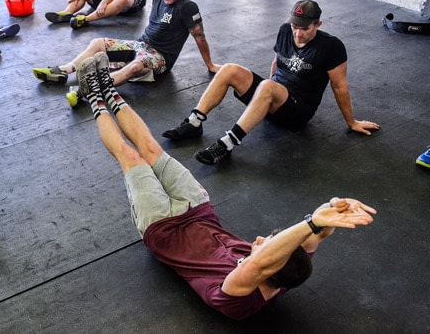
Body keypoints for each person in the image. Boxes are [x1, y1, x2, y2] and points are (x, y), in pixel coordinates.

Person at [76, 50, 376, 320]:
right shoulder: (289, 270)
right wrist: (333, 208)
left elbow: (258, 264)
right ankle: (108, 90)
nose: (258, 239)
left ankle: (95, 98)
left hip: (163, 228)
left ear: (269, 267)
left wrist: (311, 222)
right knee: (152, 149)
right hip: (198, 210)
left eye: (265, 245)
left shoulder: (236, 297)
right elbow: (315, 238)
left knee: (130, 157)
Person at [162, 0, 380, 165]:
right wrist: (263, 98)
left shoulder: (332, 47)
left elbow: (340, 87)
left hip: (298, 111)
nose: (298, 33)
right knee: (229, 69)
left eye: (304, 29)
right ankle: (194, 123)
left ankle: (226, 145)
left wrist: (352, 122)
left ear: (318, 24)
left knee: (267, 86)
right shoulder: (285, 30)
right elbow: (277, 62)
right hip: (273, 96)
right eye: (295, 26)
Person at [33, 0, 220, 105]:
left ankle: (86, 90)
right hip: (141, 45)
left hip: (160, 57)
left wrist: (210, 65)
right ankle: (63, 71)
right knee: (97, 43)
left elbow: (199, 36)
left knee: (136, 66)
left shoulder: (188, 7)